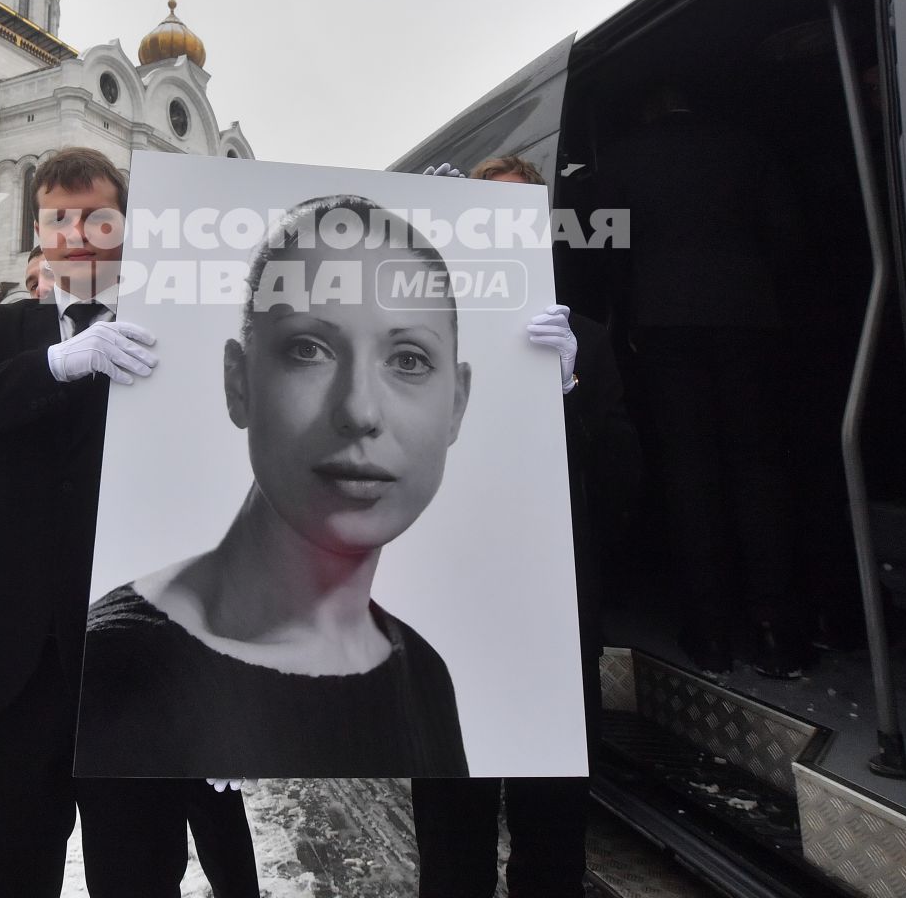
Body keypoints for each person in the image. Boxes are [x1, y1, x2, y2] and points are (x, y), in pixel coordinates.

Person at [78, 192, 583, 780]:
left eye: (410, 360)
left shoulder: (421, 671)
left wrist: (556, 385)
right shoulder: (121, 664)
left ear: (457, 405)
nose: (360, 410)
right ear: (238, 382)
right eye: (308, 350)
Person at [0, 146, 258, 898]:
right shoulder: (2, 331)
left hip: (138, 672)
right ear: (39, 232)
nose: (79, 235)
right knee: (0, 869)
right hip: (8, 667)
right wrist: (56, 364)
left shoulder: (179, 330)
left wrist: (229, 693)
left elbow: (229, 485)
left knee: (142, 872)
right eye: (60, 219)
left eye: (99, 218)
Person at [412, 153, 639, 897]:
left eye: (516, 216)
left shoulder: (587, 341)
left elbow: (624, 489)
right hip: (451, 627)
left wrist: (569, 385)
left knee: (551, 837)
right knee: (452, 834)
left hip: (551, 627)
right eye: (484, 217)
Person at [596, 85, 807, 677]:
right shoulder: (748, 148)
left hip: (663, 327)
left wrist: (630, 313)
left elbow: (608, 251)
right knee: (761, 468)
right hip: (750, 321)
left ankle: (711, 634)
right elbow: (788, 241)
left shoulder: (621, 159)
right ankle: (777, 632)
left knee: (688, 472)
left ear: (647, 107)